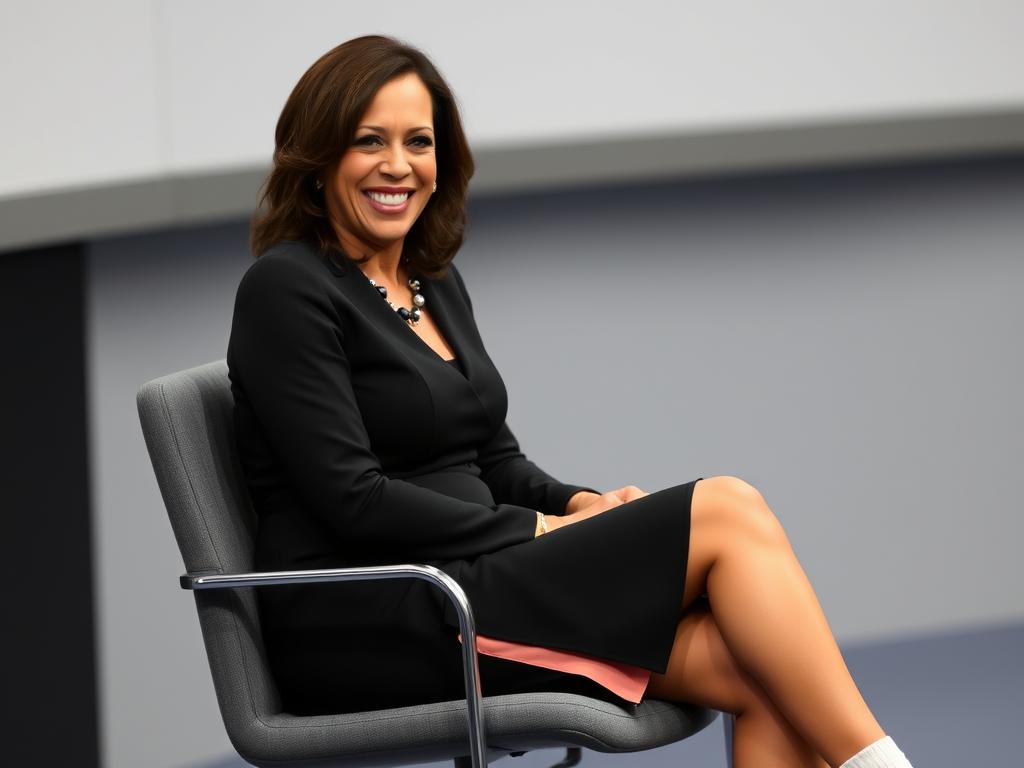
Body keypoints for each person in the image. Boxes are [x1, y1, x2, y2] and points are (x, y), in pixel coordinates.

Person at [225, 34, 915, 768]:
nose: (398, 165)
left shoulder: (433, 281)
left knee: (763, 673)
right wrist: (537, 528)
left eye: (418, 141)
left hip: (474, 575)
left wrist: (577, 503)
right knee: (728, 507)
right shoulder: (286, 289)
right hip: (384, 609)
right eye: (370, 141)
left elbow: (492, 455)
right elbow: (352, 500)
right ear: (318, 157)